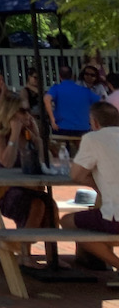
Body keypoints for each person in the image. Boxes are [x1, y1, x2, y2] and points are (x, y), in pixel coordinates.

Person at [0, 91, 55, 266]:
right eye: (22, 111)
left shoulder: (28, 134)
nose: (27, 115)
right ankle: (25, 254)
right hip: (3, 190)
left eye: (28, 111)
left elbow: (47, 163)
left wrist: (37, 138)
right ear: (10, 112)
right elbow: (7, 162)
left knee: (51, 205)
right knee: (37, 204)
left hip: (27, 187)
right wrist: (14, 134)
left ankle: (52, 256)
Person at [63, 101, 119, 269]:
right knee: (99, 214)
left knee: (66, 222)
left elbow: (76, 175)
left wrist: (95, 183)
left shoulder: (93, 138)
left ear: (94, 122)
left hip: (116, 216)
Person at [46, 64, 100, 136]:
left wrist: (52, 120)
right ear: (72, 76)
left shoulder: (56, 88)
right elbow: (101, 102)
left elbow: (47, 99)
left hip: (62, 127)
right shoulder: (85, 91)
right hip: (83, 129)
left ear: (59, 76)